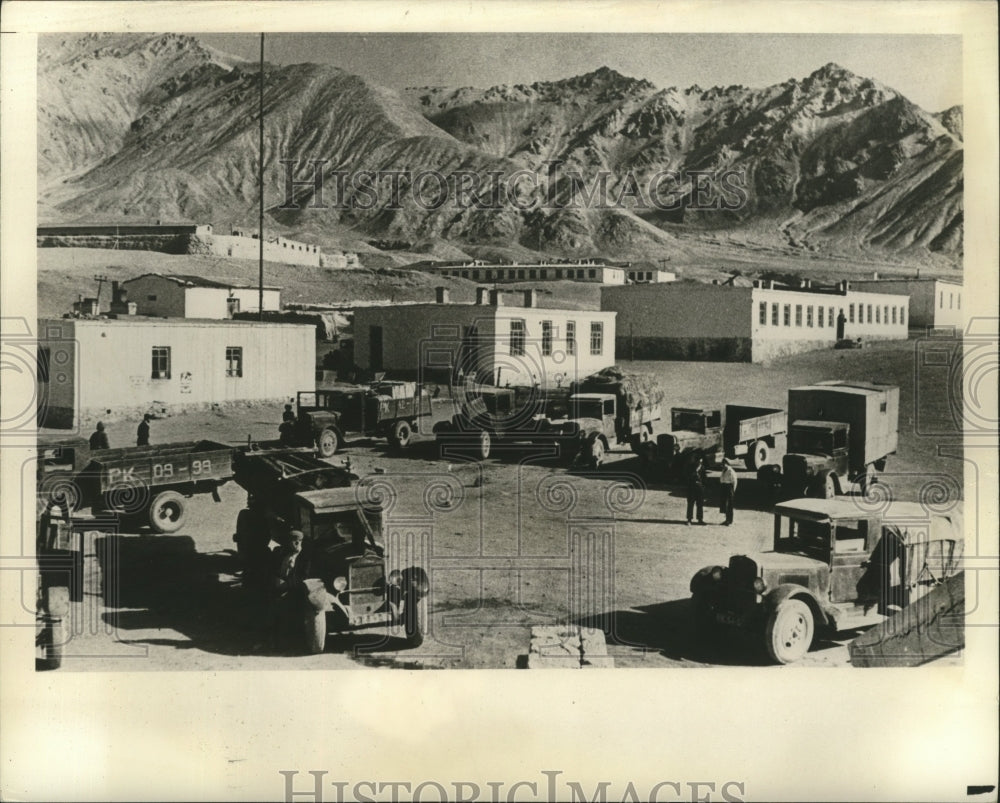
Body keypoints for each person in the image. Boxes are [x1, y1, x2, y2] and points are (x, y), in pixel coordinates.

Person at [685, 455, 707, 525]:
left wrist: (703, 486)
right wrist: (695, 472)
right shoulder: (690, 467)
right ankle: (689, 519)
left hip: (700, 489)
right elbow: (687, 477)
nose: (700, 463)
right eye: (699, 462)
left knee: (700, 504)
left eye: (701, 462)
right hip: (692, 488)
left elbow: (705, 478)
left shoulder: (702, 468)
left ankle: (700, 519)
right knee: (690, 504)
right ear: (696, 461)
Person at [719, 458, 738, 526]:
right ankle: (727, 519)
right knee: (725, 504)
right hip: (724, 487)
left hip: (729, 487)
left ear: (727, 464)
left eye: (724, 464)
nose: (723, 465)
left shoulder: (731, 471)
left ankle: (730, 520)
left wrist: (733, 490)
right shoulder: (723, 470)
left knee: (729, 505)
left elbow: (734, 481)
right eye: (722, 464)